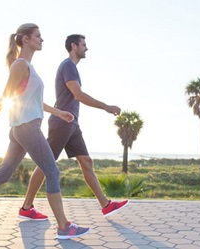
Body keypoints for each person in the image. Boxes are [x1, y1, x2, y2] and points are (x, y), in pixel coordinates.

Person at [0, 24, 89, 240]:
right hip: (27, 128)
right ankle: (64, 227)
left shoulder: (28, 67)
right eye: (38, 36)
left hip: (20, 128)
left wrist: (59, 112)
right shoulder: (20, 65)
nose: (42, 40)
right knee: (52, 171)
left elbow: (32, 100)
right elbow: (5, 97)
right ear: (25, 39)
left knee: (3, 174)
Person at [19, 34, 128, 221]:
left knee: (86, 161)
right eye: (84, 45)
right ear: (73, 46)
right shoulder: (68, 65)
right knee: (46, 164)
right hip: (62, 122)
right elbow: (78, 95)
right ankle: (26, 207)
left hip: (72, 123)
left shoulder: (72, 67)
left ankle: (105, 205)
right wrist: (106, 107)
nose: (86, 48)